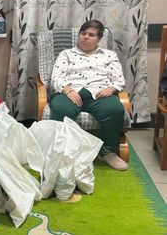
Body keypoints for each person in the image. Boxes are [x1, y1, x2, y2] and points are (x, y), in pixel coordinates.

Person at [50, 19, 127, 171]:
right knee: (61, 109)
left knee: (115, 109)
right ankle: (62, 153)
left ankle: (108, 152)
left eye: (91, 35)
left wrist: (112, 89)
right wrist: (68, 90)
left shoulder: (109, 55)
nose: (86, 37)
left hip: (99, 94)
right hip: (71, 92)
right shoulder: (66, 54)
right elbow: (56, 77)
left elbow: (119, 79)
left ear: (99, 39)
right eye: (83, 33)